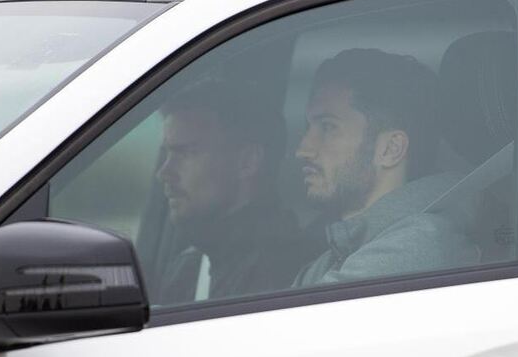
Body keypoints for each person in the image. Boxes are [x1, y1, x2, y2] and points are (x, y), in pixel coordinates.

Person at [294, 48, 479, 286]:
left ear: (390, 149)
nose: (302, 150)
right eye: (308, 127)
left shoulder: (417, 246)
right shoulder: (334, 256)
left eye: (328, 127)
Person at [153, 79, 309, 304]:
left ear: (247, 162)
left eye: (187, 153)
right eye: (167, 154)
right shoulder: (191, 264)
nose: (164, 173)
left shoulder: (281, 272)